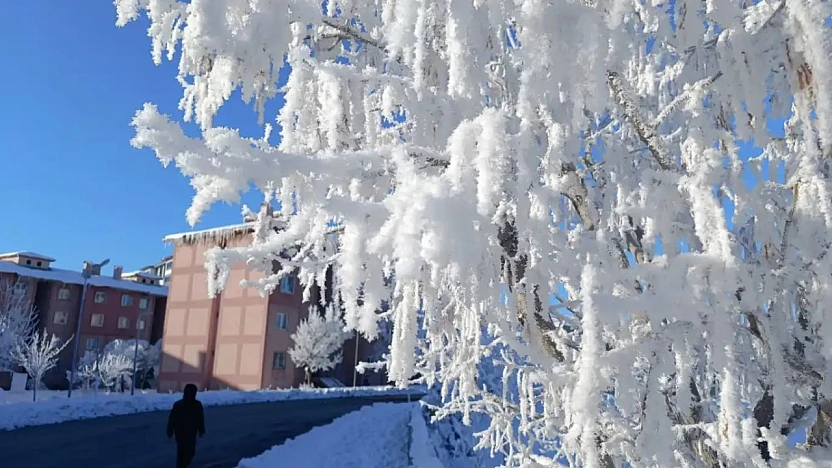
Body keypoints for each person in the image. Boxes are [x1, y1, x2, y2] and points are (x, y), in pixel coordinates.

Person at [167, 384, 206, 468]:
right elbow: (172, 419)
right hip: (182, 432)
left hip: (189, 432)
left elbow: (200, 418)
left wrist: (201, 429)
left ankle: (182, 465)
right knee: (183, 452)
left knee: (187, 452)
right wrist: (170, 431)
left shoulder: (197, 405)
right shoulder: (179, 405)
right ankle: (182, 465)